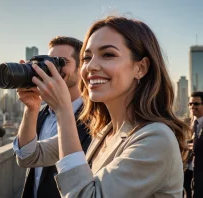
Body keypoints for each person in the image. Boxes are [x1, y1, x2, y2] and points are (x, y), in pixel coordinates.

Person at [15, 16, 190, 197]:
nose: (91, 66)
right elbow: (29, 156)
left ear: (141, 68)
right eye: (87, 57)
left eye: (108, 55)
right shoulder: (102, 131)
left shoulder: (155, 138)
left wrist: (63, 110)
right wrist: (32, 107)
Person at [13, 36, 92, 198]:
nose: (53, 69)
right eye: (49, 62)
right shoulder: (40, 113)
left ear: (80, 68)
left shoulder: (96, 117)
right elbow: (25, 157)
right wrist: (31, 108)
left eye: (61, 62)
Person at [189, 91, 203, 198]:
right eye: (190, 104)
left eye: (196, 104)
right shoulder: (192, 124)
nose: (192, 106)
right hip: (192, 173)